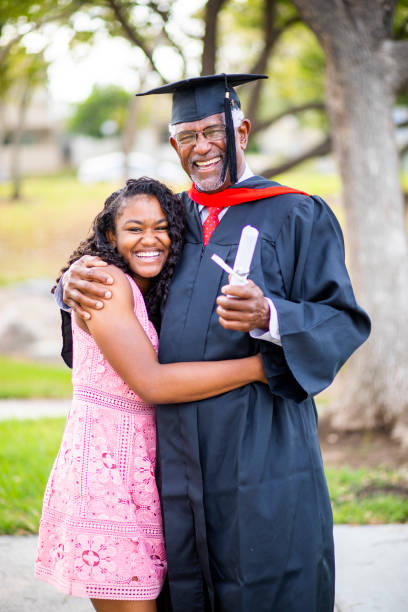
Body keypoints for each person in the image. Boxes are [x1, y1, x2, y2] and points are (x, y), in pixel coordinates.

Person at [57, 74, 371, 612]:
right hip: (175, 452)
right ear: (174, 146)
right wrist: (68, 287)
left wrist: (271, 314)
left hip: (260, 447)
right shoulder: (169, 218)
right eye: (186, 136)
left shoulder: (296, 213)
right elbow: (114, 278)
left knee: (266, 580)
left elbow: (342, 319)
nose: (201, 147)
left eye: (213, 131)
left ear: (241, 129)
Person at [35, 176, 267, 612]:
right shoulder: (104, 281)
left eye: (161, 227)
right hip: (104, 476)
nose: (150, 239)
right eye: (134, 228)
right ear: (110, 235)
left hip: (139, 473)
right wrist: (259, 368)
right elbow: (152, 382)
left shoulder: (147, 289)